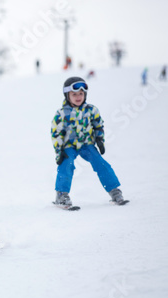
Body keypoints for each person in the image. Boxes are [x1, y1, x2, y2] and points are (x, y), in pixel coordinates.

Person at [50, 77, 127, 206]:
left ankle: (114, 191)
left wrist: (99, 139)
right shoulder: (61, 114)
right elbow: (55, 132)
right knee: (66, 164)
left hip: (86, 144)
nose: (78, 97)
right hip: (69, 145)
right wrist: (59, 151)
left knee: (100, 163)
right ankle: (61, 194)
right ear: (67, 95)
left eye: (81, 93)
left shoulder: (91, 110)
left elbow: (98, 125)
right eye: (74, 94)